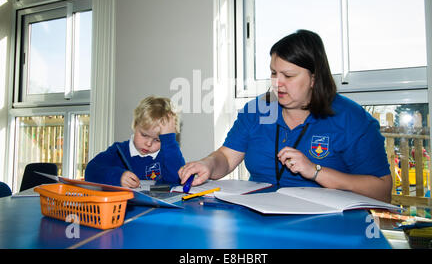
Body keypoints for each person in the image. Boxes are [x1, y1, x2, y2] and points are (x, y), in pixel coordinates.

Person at [179, 29, 392, 202]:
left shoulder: (352, 119)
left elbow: (382, 191)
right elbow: (226, 157)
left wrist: (316, 171)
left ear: (313, 79)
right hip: (258, 221)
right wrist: (207, 164)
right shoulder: (258, 109)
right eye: (273, 73)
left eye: (288, 75)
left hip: (326, 229)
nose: (277, 83)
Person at [85, 96, 185, 188]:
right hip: (123, 206)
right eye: (144, 135)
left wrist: (168, 140)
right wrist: (117, 177)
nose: (148, 144)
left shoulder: (168, 154)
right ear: (135, 125)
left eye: (157, 140)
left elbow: (176, 180)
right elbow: (90, 171)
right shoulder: (119, 151)